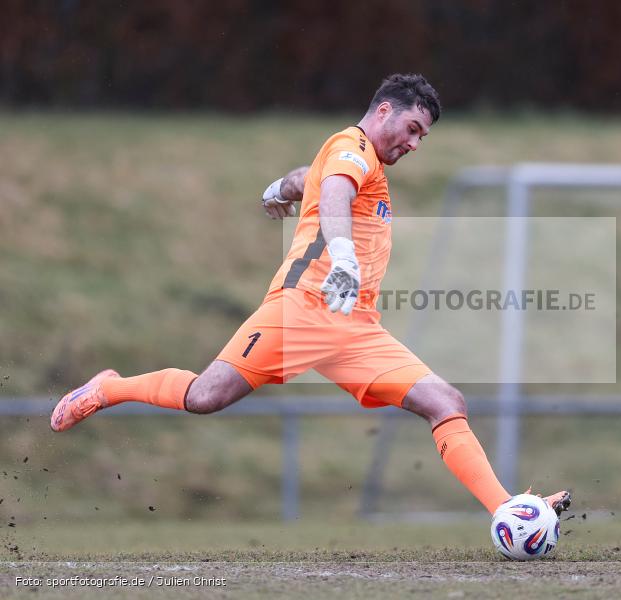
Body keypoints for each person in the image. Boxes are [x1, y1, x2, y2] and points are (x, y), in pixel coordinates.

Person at [51, 73, 570, 519]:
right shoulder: (352, 147)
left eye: (423, 137)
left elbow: (318, 180)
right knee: (205, 397)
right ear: (384, 110)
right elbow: (337, 189)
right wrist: (342, 254)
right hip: (301, 308)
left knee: (446, 402)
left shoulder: (358, 162)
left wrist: (283, 185)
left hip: (356, 327)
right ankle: (109, 388)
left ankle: (509, 509)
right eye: (413, 129)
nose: (415, 143)